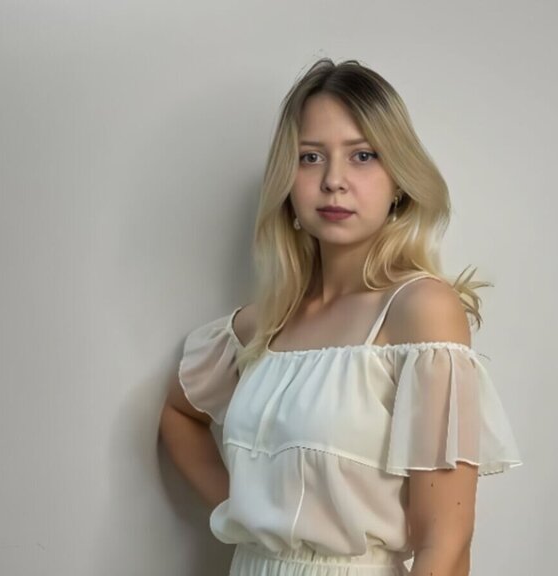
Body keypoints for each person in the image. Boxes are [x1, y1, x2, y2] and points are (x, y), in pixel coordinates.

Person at [158, 58, 523, 576]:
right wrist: (245, 514)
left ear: (399, 179)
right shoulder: (266, 324)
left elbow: (446, 544)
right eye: (310, 157)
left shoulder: (420, 312)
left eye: (363, 156)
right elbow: (179, 414)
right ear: (287, 180)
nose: (334, 181)